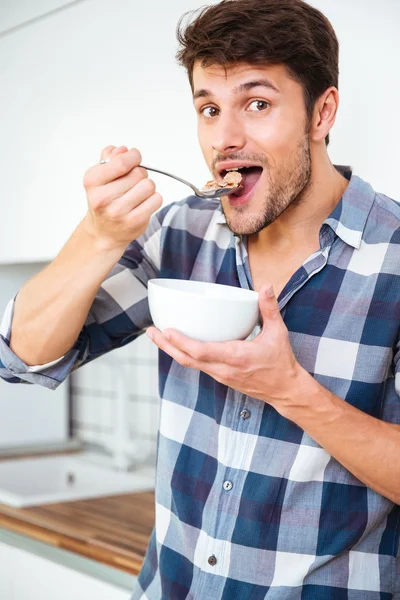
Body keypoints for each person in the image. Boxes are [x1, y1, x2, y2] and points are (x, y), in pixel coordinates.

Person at [1, 0, 400, 597]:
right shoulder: (181, 231)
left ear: (323, 112)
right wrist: (98, 235)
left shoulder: (393, 255)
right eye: (209, 108)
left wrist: (292, 391)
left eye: (257, 104)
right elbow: (23, 355)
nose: (225, 138)